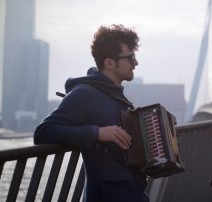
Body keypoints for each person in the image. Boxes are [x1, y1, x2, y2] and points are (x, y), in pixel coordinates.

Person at [34, 24, 148, 202]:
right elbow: (43, 132)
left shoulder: (116, 96)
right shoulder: (85, 94)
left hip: (133, 193)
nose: (136, 62)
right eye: (130, 57)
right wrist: (97, 133)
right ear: (110, 63)